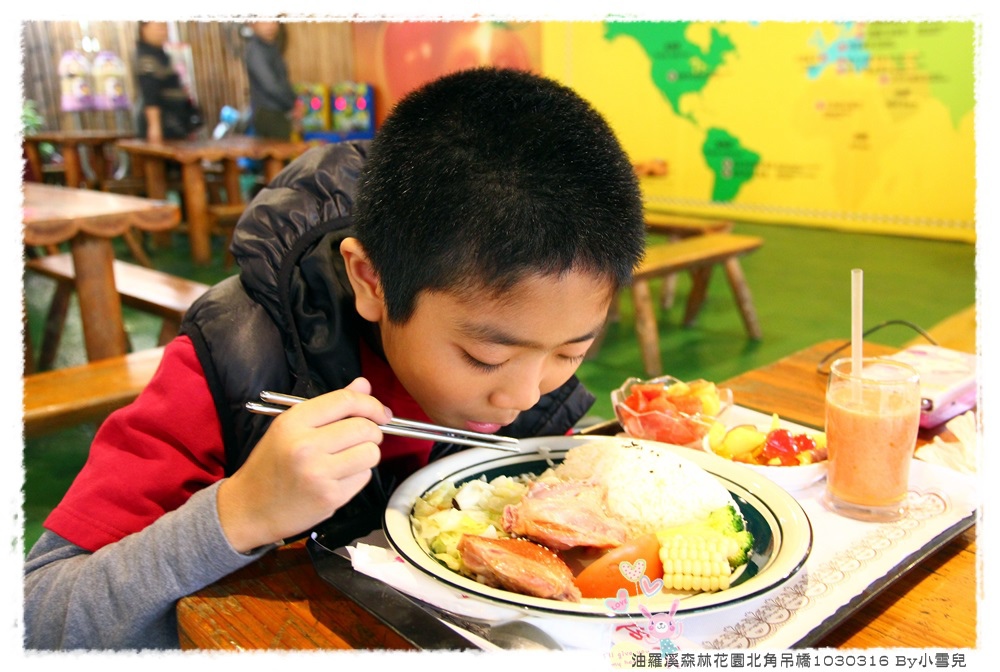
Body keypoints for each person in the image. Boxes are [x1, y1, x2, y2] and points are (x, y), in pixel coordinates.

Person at [23, 67, 646, 650]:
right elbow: (39, 617)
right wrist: (242, 511)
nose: (525, 396)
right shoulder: (233, 365)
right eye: (484, 358)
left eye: (572, 353)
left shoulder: (527, 348)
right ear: (371, 281)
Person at [134, 21, 196, 142]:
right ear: (144, 29)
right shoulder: (147, 57)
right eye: (159, 27)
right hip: (164, 124)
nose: (164, 31)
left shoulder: (159, 53)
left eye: (165, 27)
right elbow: (150, 94)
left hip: (174, 122)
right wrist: (154, 126)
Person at [244, 21, 303, 140]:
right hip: (268, 115)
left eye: (273, 20)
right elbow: (271, 85)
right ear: (252, 24)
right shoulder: (256, 50)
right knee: (279, 155)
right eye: (264, 20)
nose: (270, 25)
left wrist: (294, 102)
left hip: (278, 113)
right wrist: (292, 103)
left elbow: (281, 81)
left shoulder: (271, 47)